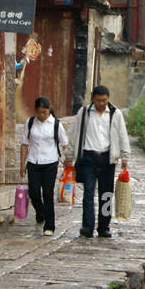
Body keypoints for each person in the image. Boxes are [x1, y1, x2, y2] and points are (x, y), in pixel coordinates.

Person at [71, 84, 130, 238]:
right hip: (88, 158)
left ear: (108, 99)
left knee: (106, 194)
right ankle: (87, 226)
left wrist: (125, 156)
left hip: (107, 158)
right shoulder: (83, 113)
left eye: (104, 100)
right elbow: (75, 134)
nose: (101, 103)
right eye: (98, 100)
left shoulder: (115, 114)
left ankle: (104, 226)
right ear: (93, 99)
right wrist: (69, 154)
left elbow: (122, 135)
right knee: (88, 192)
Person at [19, 96, 69, 235]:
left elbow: (65, 144)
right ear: (35, 111)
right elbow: (24, 144)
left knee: (47, 194)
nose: (42, 115)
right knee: (34, 193)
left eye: (45, 113)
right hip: (33, 161)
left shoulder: (56, 124)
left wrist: (67, 160)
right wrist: (22, 165)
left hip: (50, 162)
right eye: (39, 112)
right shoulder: (29, 123)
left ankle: (49, 225)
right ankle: (40, 214)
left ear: (49, 111)